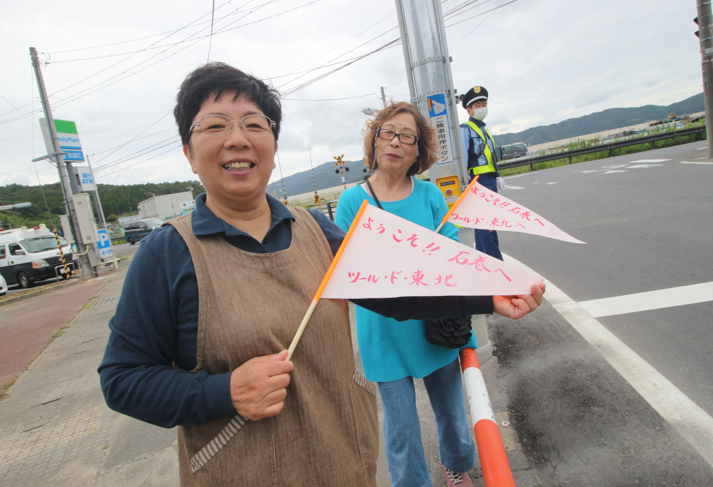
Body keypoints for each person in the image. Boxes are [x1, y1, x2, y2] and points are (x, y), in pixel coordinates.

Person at [99, 63, 545, 487]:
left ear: (273, 147)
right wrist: (223, 391)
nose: (238, 140)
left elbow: (399, 287)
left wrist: (488, 294)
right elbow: (122, 379)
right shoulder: (166, 254)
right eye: (215, 125)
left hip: (345, 463)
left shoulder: (315, 229)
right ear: (188, 153)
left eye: (254, 125)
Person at [335, 102, 537, 487]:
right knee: (402, 430)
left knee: (453, 414)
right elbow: (348, 272)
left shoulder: (428, 195)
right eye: (387, 132)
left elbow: (452, 255)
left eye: (406, 136)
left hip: (436, 323)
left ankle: (456, 465)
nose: (395, 141)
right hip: (383, 332)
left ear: (418, 151)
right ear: (375, 141)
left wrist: (496, 282)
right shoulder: (350, 201)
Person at [461, 86, 505, 261]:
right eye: (477, 105)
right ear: (469, 110)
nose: (482, 107)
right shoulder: (466, 129)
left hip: (489, 179)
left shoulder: (484, 129)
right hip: (477, 181)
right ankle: (496, 263)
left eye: (483, 103)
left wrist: (497, 175)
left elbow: (489, 155)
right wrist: (465, 183)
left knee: (483, 224)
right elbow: (463, 157)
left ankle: (483, 262)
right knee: (487, 225)